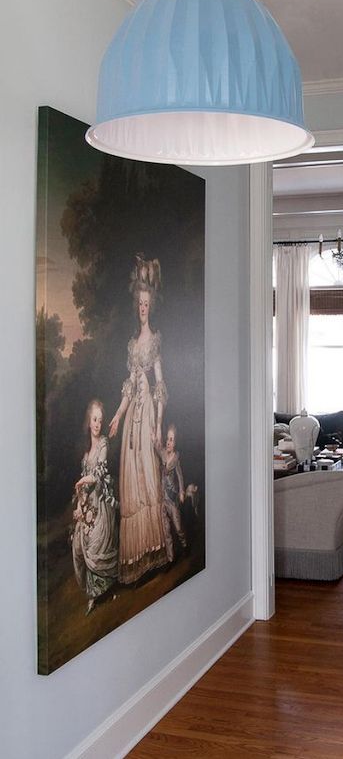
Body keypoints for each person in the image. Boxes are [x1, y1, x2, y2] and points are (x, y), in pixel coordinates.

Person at [109, 255, 168, 584]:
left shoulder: (154, 341)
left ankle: (154, 547)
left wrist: (158, 424)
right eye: (139, 304)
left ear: (151, 306)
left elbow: (160, 385)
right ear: (137, 306)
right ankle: (136, 555)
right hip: (133, 414)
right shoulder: (132, 346)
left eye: (147, 303)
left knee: (148, 477)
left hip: (149, 417)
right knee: (131, 479)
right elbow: (130, 386)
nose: (143, 308)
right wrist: (117, 415)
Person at [72, 400, 118, 615]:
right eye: (94, 419)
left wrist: (82, 483)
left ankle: (104, 591)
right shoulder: (85, 453)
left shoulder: (104, 444)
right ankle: (93, 593)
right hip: (88, 503)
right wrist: (80, 503)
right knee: (79, 547)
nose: (98, 423)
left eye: (100, 419)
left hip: (102, 501)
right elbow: (83, 482)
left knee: (97, 546)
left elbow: (98, 474)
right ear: (89, 422)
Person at [155, 424, 187, 562]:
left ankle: (184, 544)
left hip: (172, 498)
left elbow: (180, 476)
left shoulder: (175, 459)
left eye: (171, 440)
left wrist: (181, 491)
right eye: (167, 439)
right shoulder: (163, 453)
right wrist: (152, 438)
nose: (168, 442)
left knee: (178, 527)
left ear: (175, 443)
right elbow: (156, 448)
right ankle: (170, 558)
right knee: (166, 530)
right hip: (163, 498)